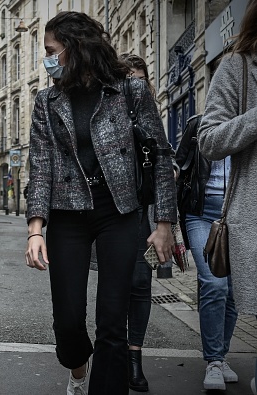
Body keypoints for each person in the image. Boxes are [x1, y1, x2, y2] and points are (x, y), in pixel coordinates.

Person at [24, 12, 177, 395]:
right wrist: (35, 229)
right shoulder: (47, 101)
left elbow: (160, 154)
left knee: (112, 321)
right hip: (68, 214)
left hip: (118, 211)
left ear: (75, 48)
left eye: (50, 51)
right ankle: (77, 368)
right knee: (68, 321)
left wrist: (163, 224)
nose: (47, 59)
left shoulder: (129, 90)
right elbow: (40, 166)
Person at [198, 1, 257, 391]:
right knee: (217, 286)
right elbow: (208, 139)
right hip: (225, 211)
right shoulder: (238, 67)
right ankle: (215, 359)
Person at [176, 114, 238, 391]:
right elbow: (179, 165)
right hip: (200, 214)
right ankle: (213, 360)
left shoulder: (248, 125)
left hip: (238, 217)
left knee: (233, 292)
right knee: (214, 283)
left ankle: (221, 356)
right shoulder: (198, 124)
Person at [120, 52, 157, 392]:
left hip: (144, 213)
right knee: (117, 285)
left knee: (141, 283)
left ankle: (135, 358)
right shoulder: (109, 115)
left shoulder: (152, 116)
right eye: (128, 77)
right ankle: (115, 352)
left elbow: (162, 167)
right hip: (114, 214)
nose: (134, 84)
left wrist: (166, 224)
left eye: (139, 78)